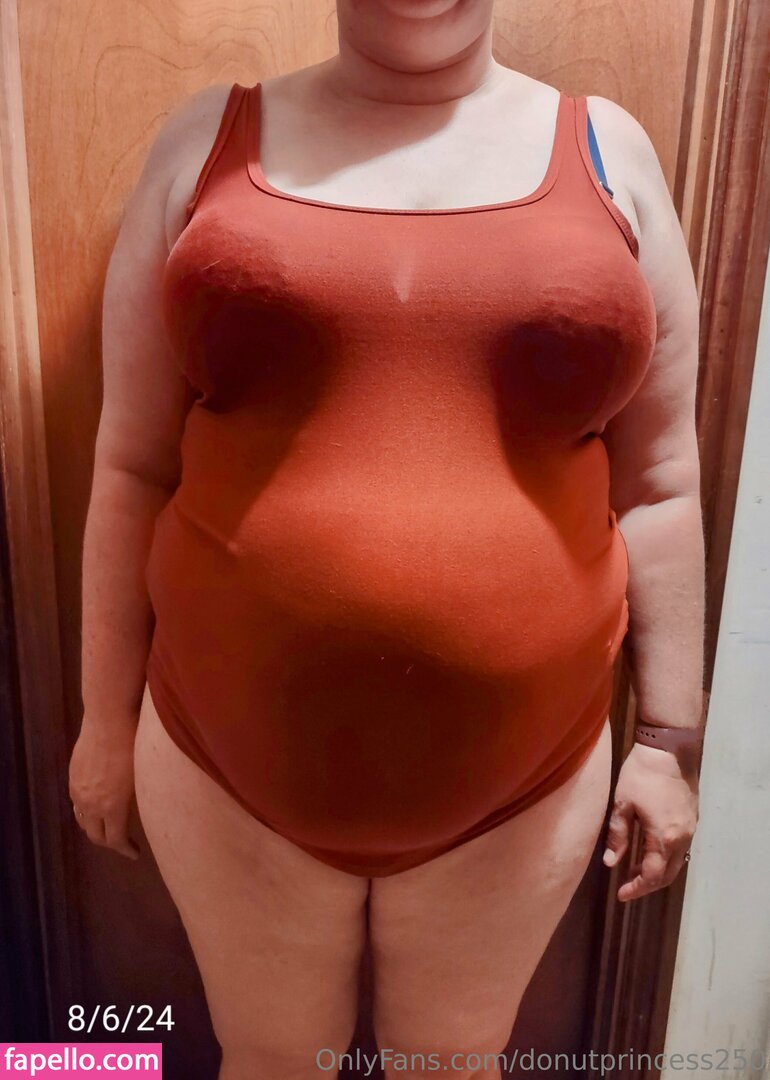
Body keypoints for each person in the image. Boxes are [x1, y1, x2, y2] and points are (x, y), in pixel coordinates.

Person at [69, 1, 704, 1076]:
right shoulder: (203, 143)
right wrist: (101, 720)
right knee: (269, 1062)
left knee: (451, 1066)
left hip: (525, 776)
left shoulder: (611, 152)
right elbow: (131, 465)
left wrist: (667, 742)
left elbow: (661, 483)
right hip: (220, 758)